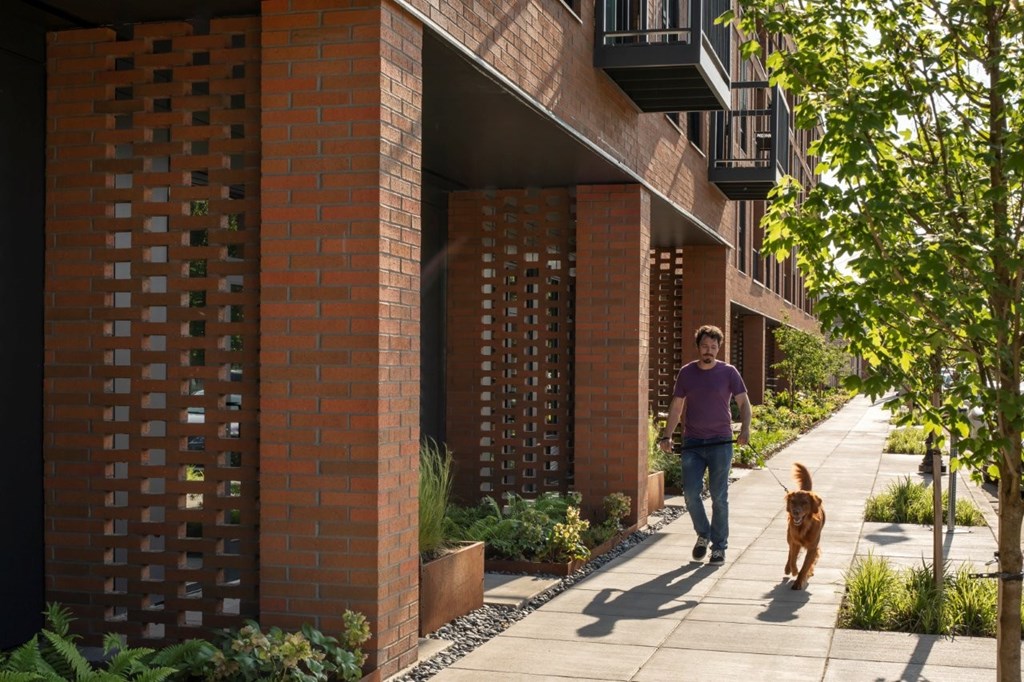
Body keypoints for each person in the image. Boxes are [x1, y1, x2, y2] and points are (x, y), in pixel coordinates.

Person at [658, 324, 751, 565]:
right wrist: (667, 435)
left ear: (719, 348)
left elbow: (743, 403)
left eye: (713, 347)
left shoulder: (729, 372)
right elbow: (677, 406)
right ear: (698, 347)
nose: (708, 351)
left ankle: (719, 547)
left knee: (719, 497)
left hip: (721, 442)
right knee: (690, 494)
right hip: (693, 442)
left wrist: (746, 429)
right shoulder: (687, 373)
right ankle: (703, 534)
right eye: (704, 346)